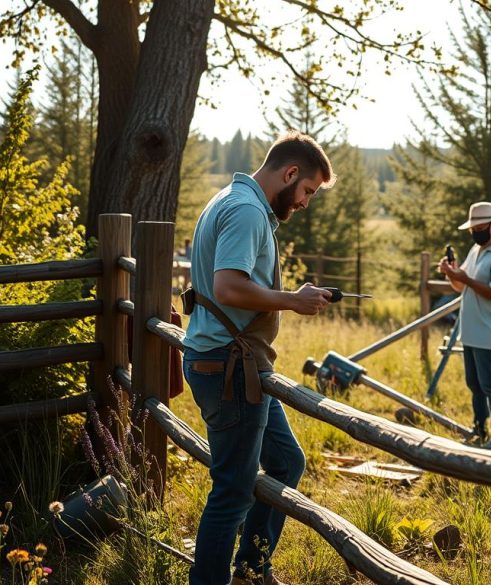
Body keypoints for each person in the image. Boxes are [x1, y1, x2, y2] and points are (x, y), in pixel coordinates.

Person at [182, 131, 336, 585]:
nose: (305, 202)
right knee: (231, 491)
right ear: (290, 174)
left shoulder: (234, 199)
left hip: (238, 365)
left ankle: (251, 565)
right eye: (307, 190)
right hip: (229, 368)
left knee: (286, 462)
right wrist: (293, 299)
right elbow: (228, 287)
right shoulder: (248, 211)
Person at [439, 201, 491, 450]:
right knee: (475, 385)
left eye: (480, 228)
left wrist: (465, 279)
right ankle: (480, 429)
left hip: (489, 330)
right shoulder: (477, 249)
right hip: (471, 330)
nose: (475, 233)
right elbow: (462, 286)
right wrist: (453, 274)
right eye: (473, 229)